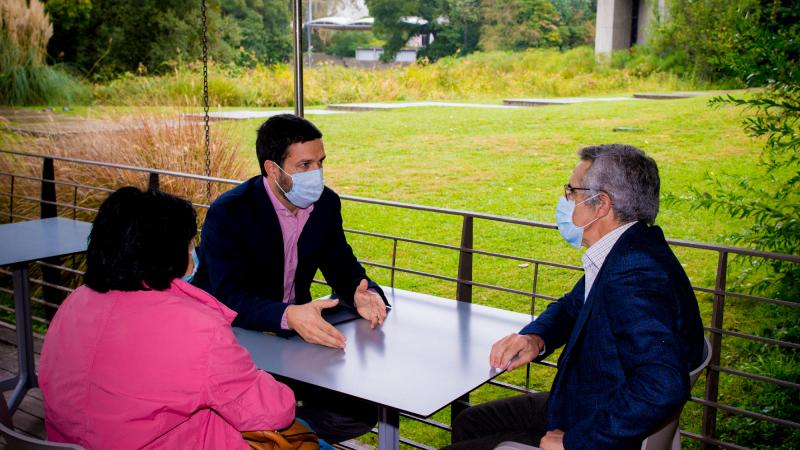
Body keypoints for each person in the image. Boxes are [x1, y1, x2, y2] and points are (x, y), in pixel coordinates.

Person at [445, 144, 706, 450]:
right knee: (470, 422)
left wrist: (575, 442)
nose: (566, 201)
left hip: (593, 422)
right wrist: (536, 338)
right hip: (586, 399)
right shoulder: (630, 248)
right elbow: (573, 306)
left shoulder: (633, 273)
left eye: (573, 192)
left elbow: (662, 385)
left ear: (602, 204)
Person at [39, 187, 296, 450]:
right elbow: (273, 410)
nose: (194, 251)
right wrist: (261, 378)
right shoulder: (196, 328)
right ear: (168, 253)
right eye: (188, 243)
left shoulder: (75, 302)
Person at [192, 113, 387, 443]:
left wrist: (361, 293)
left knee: (359, 414)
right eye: (305, 165)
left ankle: (279, 431)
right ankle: (267, 428)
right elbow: (227, 296)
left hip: (290, 344)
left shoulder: (325, 204)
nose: (317, 174)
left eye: (321, 162)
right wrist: (287, 315)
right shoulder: (230, 213)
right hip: (231, 341)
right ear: (272, 169)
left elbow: (341, 265)